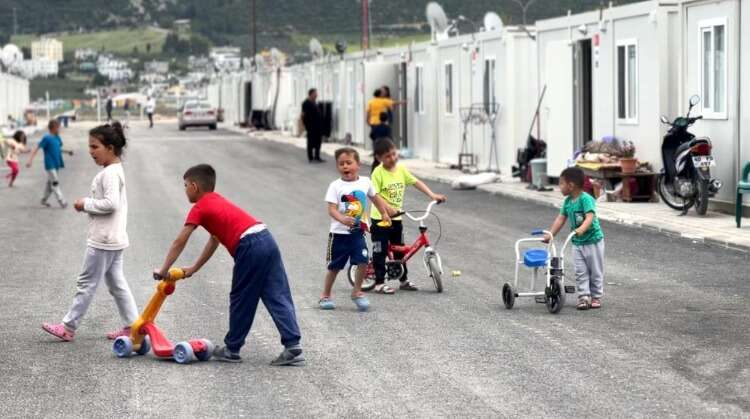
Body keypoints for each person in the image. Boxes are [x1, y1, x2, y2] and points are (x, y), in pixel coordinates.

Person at [154, 164, 304, 365]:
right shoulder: (217, 201)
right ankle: (293, 346)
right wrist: (194, 268)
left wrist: (163, 270)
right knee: (276, 293)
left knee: (242, 297)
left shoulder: (199, 207)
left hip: (249, 246)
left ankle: (232, 349)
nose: (185, 190)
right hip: (266, 238)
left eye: (185, 185)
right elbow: (214, 239)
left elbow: (180, 240)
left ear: (195, 186)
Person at [41, 122, 140, 342]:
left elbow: (111, 203)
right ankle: (133, 326)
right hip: (114, 238)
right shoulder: (113, 170)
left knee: (86, 283)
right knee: (117, 284)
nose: (91, 151)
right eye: (90, 146)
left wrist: (86, 203)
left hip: (103, 241)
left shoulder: (110, 174)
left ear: (111, 148)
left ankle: (68, 327)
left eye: (95, 147)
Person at [369, 138, 447, 294]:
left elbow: (416, 182)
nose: (392, 158)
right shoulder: (378, 173)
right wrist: (387, 208)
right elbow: (374, 194)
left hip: (396, 218)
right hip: (381, 218)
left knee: (400, 250)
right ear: (379, 158)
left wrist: (432, 195)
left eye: (393, 154)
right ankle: (378, 282)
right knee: (381, 250)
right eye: (387, 156)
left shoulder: (401, 169)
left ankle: (403, 280)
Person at [320, 148, 392, 311]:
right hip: (338, 235)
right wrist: (342, 218)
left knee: (363, 261)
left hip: (357, 233)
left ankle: (357, 292)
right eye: (341, 164)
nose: (345, 167)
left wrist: (384, 213)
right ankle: (325, 295)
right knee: (334, 267)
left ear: (358, 164)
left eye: (349, 163)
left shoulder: (365, 182)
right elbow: (331, 209)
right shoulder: (335, 186)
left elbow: (376, 198)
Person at [544, 167, 605, 310]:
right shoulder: (567, 202)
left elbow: (590, 217)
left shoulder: (586, 199)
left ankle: (596, 296)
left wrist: (582, 228)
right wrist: (551, 234)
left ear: (570, 185)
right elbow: (560, 219)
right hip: (577, 242)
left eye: (561, 184)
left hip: (593, 241)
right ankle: (583, 296)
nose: (559, 187)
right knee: (580, 270)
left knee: (595, 270)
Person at [26, 120, 73, 208]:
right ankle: (62, 201)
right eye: (58, 127)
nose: (59, 129)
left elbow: (58, 149)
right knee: (55, 182)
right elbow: (37, 148)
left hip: (57, 164)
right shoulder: (46, 138)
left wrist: (68, 152)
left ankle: (43, 200)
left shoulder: (57, 138)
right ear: (53, 128)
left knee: (50, 184)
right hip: (50, 164)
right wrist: (30, 160)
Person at [301, 89, 324, 163]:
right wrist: (304, 125)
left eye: (316, 93)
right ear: (310, 94)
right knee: (310, 141)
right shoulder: (305, 103)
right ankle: (310, 157)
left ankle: (317, 156)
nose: (316, 95)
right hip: (310, 126)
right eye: (315, 93)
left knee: (318, 141)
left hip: (318, 125)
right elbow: (303, 115)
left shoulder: (314, 102)